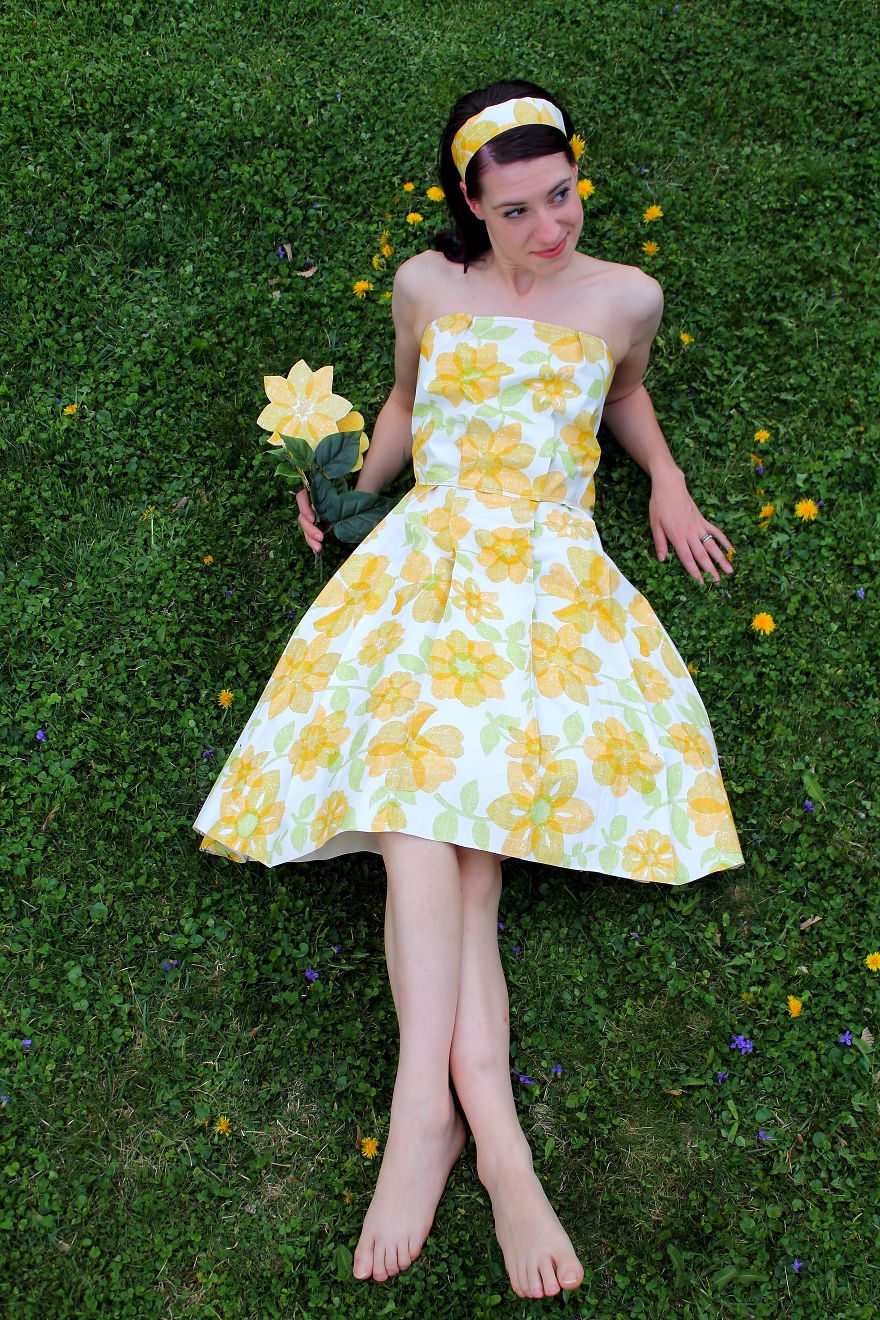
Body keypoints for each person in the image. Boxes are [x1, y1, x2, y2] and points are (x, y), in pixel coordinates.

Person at [194, 78, 744, 1300]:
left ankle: (434, 1118)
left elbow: (624, 394)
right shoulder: (426, 287)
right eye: (520, 210)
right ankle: (484, 1134)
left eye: (564, 196)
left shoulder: (624, 297)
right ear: (469, 208)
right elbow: (399, 400)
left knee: (446, 834)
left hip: (541, 580)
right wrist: (347, 484)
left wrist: (661, 478)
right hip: (424, 561)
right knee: (432, 824)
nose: (553, 227)